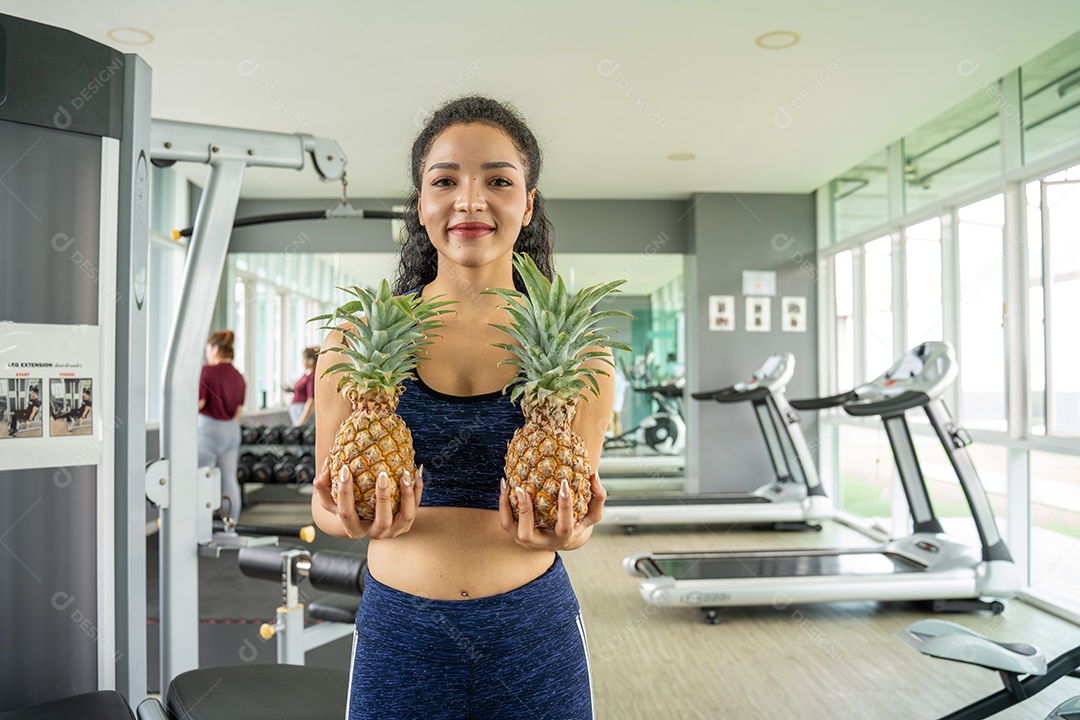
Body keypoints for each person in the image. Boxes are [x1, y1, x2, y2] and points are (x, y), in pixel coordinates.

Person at [311, 96, 610, 720]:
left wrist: (574, 530)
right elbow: (321, 503)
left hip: (533, 633)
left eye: (498, 181)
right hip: (401, 634)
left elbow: (578, 505)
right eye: (445, 180)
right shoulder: (356, 341)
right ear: (421, 205)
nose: (469, 201)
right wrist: (350, 516)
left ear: (527, 205)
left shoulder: (580, 353)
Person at [198, 330, 246, 526]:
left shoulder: (206, 371)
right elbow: (239, 411)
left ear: (215, 348)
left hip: (209, 432)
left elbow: (200, 404)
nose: (206, 352)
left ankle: (199, 528)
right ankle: (231, 525)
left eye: (208, 348)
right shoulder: (239, 376)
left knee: (202, 480)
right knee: (229, 481)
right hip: (231, 432)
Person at [287, 347, 318, 427]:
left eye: (303, 359)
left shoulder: (312, 376)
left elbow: (311, 400)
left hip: (303, 413)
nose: (302, 362)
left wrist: (301, 422)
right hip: (298, 411)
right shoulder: (306, 374)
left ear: (310, 360)